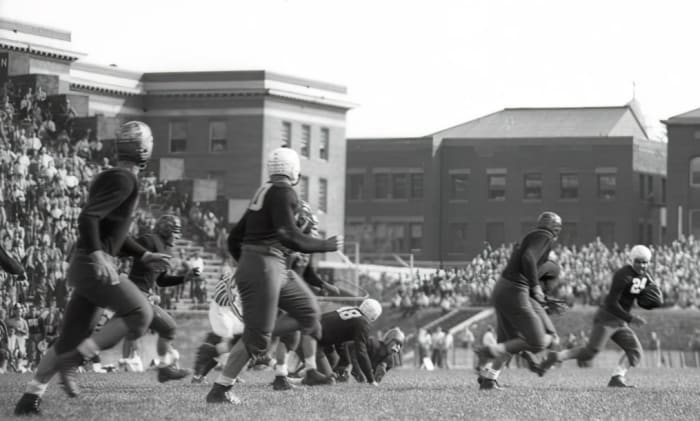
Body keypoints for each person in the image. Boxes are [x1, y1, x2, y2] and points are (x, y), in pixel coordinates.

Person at [15, 121, 171, 416]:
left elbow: (114, 233)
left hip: (87, 264)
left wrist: (144, 254)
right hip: (92, 264)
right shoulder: (125, 179)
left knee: (68, 338)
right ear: (144, 148)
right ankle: (76, 360)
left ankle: (29, 398)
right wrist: (100, 255)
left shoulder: (115, 176)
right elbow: (88, 218)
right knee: (141, 313)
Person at [205, 147, 342, 405]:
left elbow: (235, 238)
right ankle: (220, 389)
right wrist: (325, 245)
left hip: (271, 265)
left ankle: (294, 359)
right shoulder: (283, 192)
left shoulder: (265, 191)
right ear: (294, 170)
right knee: (258, 340)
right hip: (265, 264)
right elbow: (289, 235)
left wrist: (245, 261)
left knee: (309, 310)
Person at [538, 245, 655, 387]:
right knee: (590, 352)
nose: (642, 265)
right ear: (632, 260)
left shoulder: (645, 276)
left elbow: (649, 291)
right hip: (607, 318)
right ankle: (557, 356)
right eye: (639, 261)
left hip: (620, 321)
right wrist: (631, 318)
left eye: (645, 262)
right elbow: (611, 303)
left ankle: (617, 377)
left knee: (635, 351)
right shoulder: (622, 275)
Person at [476, 211, 562, 390]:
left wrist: (540, 294)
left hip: (504, 288)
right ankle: (488, 352)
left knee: (511, 342)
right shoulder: (544, 236)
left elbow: (526, 261)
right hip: (515, 290)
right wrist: (537, 287)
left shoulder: (533, 236)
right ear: (554, 227)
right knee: (537, 341)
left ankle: (489, 378)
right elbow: (528, 257)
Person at [128, 214, 199, 382]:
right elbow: (128, 249)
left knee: (166, 328)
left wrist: (184, 278)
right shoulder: (149, 240)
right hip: (136, 294)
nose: (179, 235)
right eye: (176, 230)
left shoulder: (166, 249)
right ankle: (164, 368)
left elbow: (161, 280)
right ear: (167, 229)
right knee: (168, 327)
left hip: (143, 295)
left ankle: (165, 368)